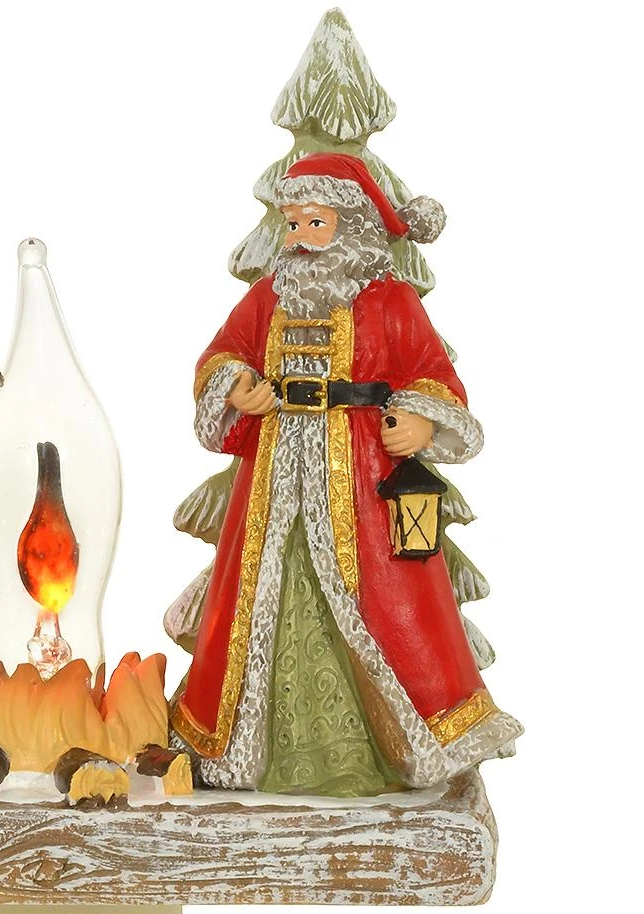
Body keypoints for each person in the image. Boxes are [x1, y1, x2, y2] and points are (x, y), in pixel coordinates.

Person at [171, 153, 521, 795]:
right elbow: (221, 353)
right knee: (264, 594)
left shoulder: (390, 301)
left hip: (361, 476)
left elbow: (433, 373)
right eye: (292, 223)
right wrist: (236, 384)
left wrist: (420, 420)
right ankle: (258, 742)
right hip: (275, 478)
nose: (301, 237)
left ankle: (392, 739)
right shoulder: (269, 298)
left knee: (380, 602)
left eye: (316, 221)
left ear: (352, 224)